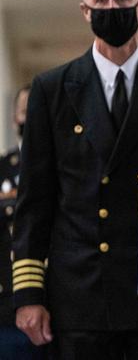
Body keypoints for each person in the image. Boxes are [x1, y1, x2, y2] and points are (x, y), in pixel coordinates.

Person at [12, 0, 138, 359]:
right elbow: (34, 201)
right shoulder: (52, 89)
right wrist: (28, 294)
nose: (112, 7)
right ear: (85, 11)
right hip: (81, 294)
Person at [0, 85, 48, 359]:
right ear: (15, 118)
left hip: (63, 303)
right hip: (9, 303)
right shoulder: (3, 168)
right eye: (25, 109)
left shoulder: (71, 168)